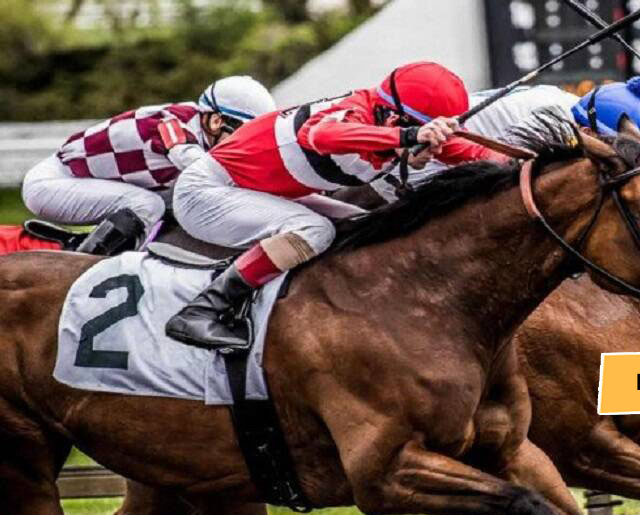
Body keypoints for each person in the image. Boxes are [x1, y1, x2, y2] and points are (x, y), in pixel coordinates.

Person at [165, 61, 503, 350]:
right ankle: (203, 310)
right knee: (315, 230)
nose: (427, 146)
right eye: (416, 130)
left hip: (258, 191)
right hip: (206, 192)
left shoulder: (394, 122)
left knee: (366, 227)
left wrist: (526, 165)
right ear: (390, 114)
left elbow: (478, 154)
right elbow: (317, 136)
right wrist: (408, 138)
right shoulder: (352, 112)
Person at [20, 76, 276, 255]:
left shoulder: (202, 126)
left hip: (84, 183)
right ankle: (84, 264)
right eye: (242, 135)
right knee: (149, 205)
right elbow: (193, 162)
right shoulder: (171, 123)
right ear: (216, 121)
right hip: (53, 185)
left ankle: (92, 244)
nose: (245, 146)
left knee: (179, 202)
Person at [409, 75, 640, 186]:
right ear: (589, 131)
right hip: (418, 164)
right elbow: (506, 177)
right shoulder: (552, 120)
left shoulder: (572, 108)